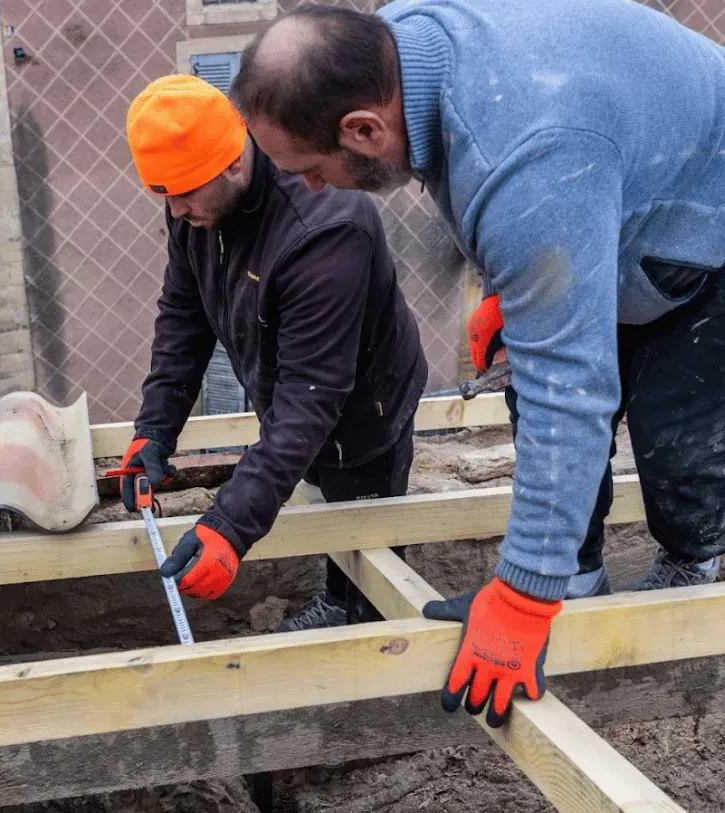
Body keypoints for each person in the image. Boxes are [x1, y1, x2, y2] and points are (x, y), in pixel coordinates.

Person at [231, 0, 725, 725]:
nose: (305, 189)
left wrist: (520, 596)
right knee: (531, 384)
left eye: (307, 168)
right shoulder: (400, 46)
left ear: (363, 129)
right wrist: (513, 291)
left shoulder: (528, 161)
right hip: (603, 169)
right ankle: (577, 579)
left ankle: (688, 562)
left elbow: (572, 393)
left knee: (673, 437)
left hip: (700, 214)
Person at [120, 75, 427, 632]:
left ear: (235, 164)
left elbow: (311, 396)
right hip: (301, 395)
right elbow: (183, 317)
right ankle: (343, 597)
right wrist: (155, 429)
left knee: (361, 515)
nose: (176, 209)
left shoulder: (325, 227)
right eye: (163, 194)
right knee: (319, 488)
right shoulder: (194, 199)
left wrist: (230, 527)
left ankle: (364, 624)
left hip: (363, 405)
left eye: (184, 193)